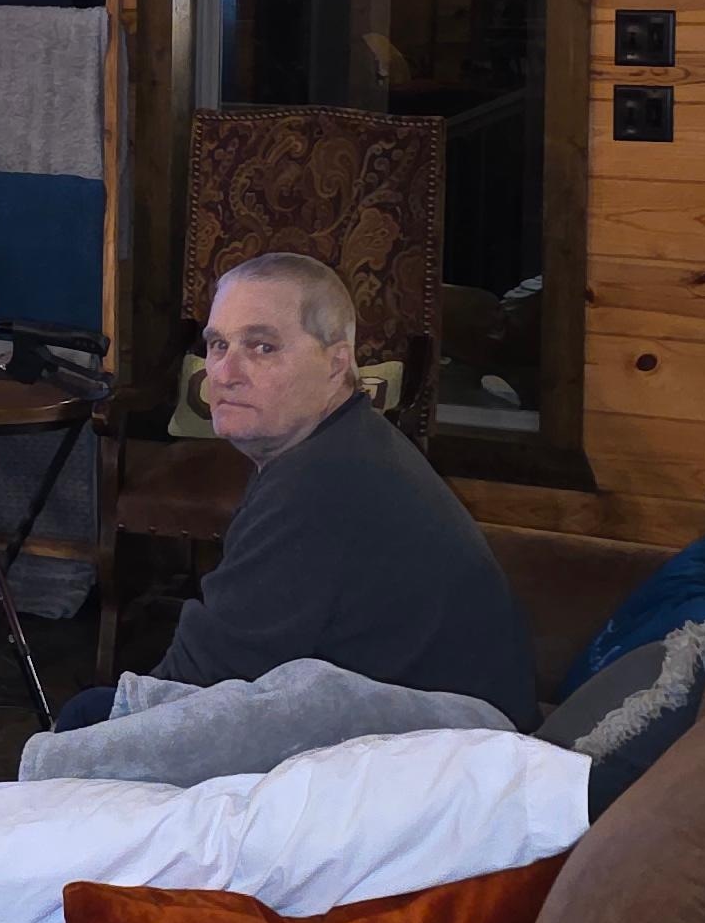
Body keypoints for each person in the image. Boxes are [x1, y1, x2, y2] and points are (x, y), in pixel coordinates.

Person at [51, 251, 535, 733]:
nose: (224, 373)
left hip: (444, 757)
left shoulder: (320, 486)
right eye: (218, 345)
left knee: (85, 721)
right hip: (429, 731)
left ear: (336, 364)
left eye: (262, 347)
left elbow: (197, 686)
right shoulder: (347, 442)